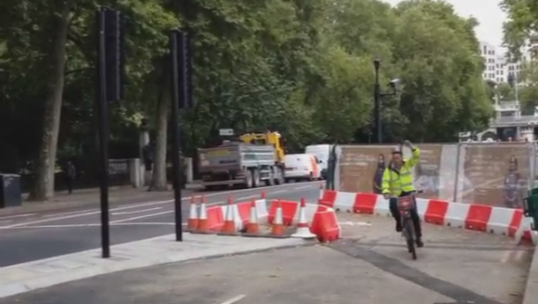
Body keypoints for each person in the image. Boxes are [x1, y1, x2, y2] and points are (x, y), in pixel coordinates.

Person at [381, 140, 424, 247]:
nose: (396, 160)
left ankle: (418, 237)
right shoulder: (389, 170)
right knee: (393, 207)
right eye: (394, 158)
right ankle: (399, 223)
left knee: (414, 215)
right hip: (396, 194)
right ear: (392, 159)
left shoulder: (407, 164)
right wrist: (386, 192)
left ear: (401, 158)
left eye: (398, 158)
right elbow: (385, 182)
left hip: (409, 192)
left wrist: (411, 147)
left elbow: (415, 157)